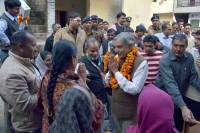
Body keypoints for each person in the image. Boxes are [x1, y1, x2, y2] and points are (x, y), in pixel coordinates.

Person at [40, 40, 93, 133]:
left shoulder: (46, 79)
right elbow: (97, 111)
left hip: (49, 128)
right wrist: (83, 82)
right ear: (73, 60)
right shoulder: (76, 86)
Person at [155, 34, 200, 132]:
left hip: (178, 100)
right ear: (171, 44)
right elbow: (170, 84)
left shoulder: (189, 57)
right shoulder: (165, 60)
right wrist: (183, 107)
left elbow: (193, 77)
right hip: (164, 100)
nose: (178, 49)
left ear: (187, 45)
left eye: (182, 46)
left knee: (177, 127)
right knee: (163, 127)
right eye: (175, 45)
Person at [0, 31, 42, 133]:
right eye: (33, 45)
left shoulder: (25, 60)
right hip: (29, 126)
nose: (36, 49)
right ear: (21, 47)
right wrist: (45, 89)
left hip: (37, 120)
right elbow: (25, 105)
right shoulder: (12, 73)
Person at [105, 32, 148, 133]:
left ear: (130, 46)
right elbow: (107, 80)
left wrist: (116, 72)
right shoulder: (117, 58)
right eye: (115, 47)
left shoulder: (141, 62)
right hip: (116, 111)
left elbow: (134, 89)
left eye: (119, 47)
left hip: (130, 114)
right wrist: (110, 69)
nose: (116, 50)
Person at [78, 38, 107, 133]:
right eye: (92, 51)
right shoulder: (81, 63)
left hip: (103, 98)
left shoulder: (103, 60)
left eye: (97, 50)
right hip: (91, 102)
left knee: (101, 125)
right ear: (86, 49)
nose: (95, 53)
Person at [185, 30, 200, 123]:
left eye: (199, 39)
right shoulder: (192, 52)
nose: (195, 41)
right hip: (189, 95)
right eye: (195, 38)